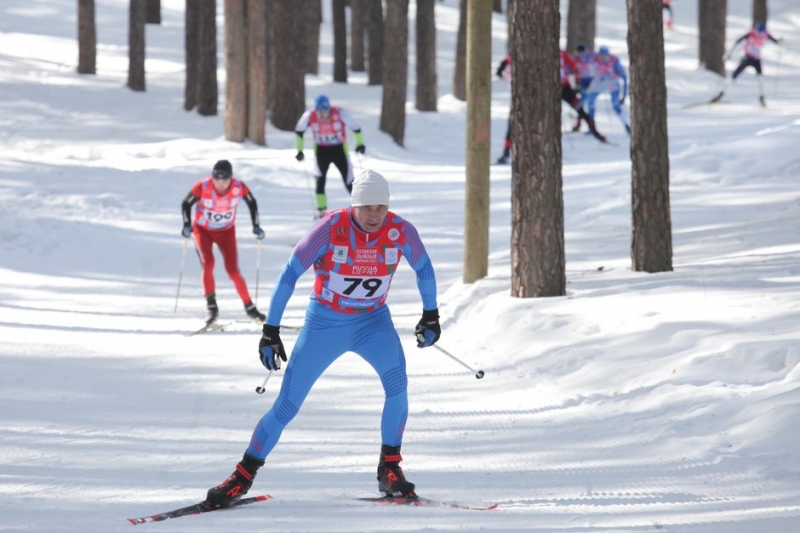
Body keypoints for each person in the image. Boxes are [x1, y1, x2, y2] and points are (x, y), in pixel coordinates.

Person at [203, 170, 442, 508]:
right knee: (287, 405)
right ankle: (241, 477)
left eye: (381, 207)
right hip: (325, 324)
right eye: (367, 207)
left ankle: (389, 469)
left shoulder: (399, 230)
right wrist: (270, 330)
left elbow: (424, 268)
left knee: (398, 386)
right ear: (354, 204)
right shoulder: (330, 228)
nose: (375, 215)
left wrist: (430, 315)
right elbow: (289, 273)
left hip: (373, 323)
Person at [180, 160, 266, 325]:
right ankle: (212, 307)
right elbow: (186, 203)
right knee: (208, 263)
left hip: (226, 232)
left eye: (225, 180)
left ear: (230, 179)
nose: (220, 184)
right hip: (203, 230)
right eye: (217, 180)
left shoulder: (238, 187)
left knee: (233, 270)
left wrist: (256, 226)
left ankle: (250, 308)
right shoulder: (203, 186)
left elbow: (252, 203)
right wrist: (186, 224)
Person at [294, 95, 366, 218]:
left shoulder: (339, 113)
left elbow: (356, 127)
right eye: (319, 112)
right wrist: (299, 150)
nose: (321, 115)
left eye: (324, 111)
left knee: (349, 181)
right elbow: (299, 131)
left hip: (339, 150)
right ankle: (321, 212)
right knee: (319, 181)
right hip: (321, 151)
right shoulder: (310, 115)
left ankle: (361, 208)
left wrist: (360, 143)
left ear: (329, 109)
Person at [711, 21, 782, 107]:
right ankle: (720, 95)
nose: (759, 34)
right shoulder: (750, 34)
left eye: (761, 32)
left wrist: (779, 41)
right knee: (733, 76)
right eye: (758, 31)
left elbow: (774, 41)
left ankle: (762, 98)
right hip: (747, 58)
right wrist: (730, 53)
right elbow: (738, 41)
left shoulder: (765, 35)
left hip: (756, 59)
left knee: (760, 79)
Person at [582, 45, 631, 135]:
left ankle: (627, 125)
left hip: (612, 83)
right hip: (598, 82)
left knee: (616, 106)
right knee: (590, 102)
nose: (602, 58)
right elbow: (584, 56)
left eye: (604, 56)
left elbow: (624, 77)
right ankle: (592, 126)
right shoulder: (594, 58)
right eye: (601, 56)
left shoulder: (614, 61)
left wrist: (623, 96)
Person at [560, 50, 606, 143]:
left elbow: (574, 66)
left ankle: (595, 133)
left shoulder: (563, 54)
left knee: (580, 109)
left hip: (565, 88)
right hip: (550, 88)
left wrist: (576, 82)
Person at [571, 42, 595, 133]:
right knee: (580, 104)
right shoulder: (574, 58)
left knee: (590, 104)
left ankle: (591, 125)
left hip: (591, 81)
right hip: (581, 82)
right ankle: (579, 123)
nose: (580, 54)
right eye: (578, 52)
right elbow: (571, 69)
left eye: (582, 52)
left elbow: (599, 66)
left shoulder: (591, 56)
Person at [495, 56, 513, 164]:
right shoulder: (507, 61)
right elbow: (498, 73)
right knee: (511, 129)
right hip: (516, 100)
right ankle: (506, 153)